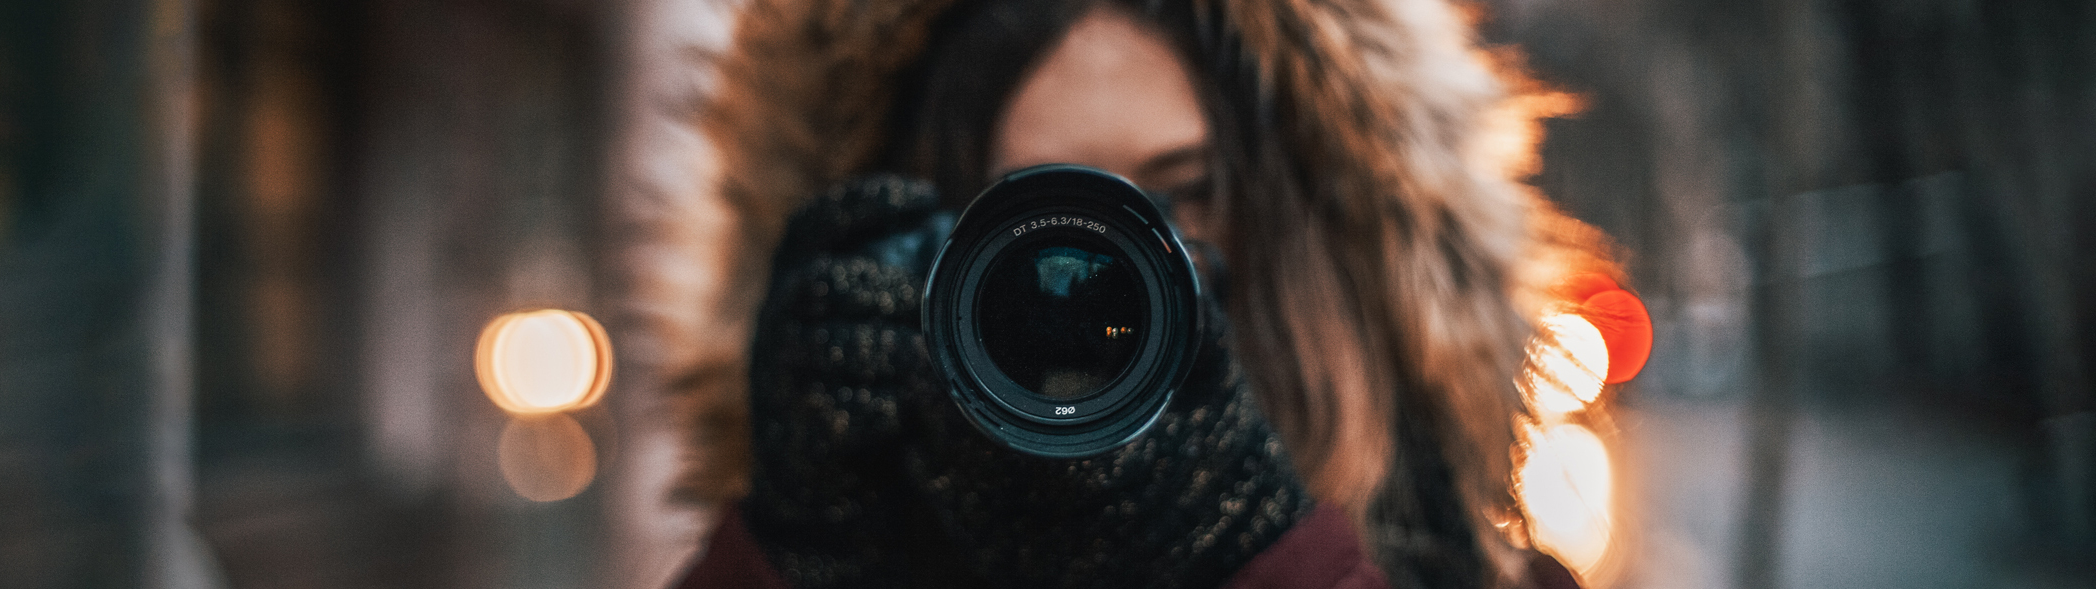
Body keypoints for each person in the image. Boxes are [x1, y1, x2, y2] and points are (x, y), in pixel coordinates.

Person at [671, 0, 1621, 586]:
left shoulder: (1473, 568)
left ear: (1312, 234)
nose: (1109, 267)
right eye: (1037, 212)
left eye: (1187, 195)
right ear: (929, 253)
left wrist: (1249, 554)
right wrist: (801, 557)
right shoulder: (853, 517)